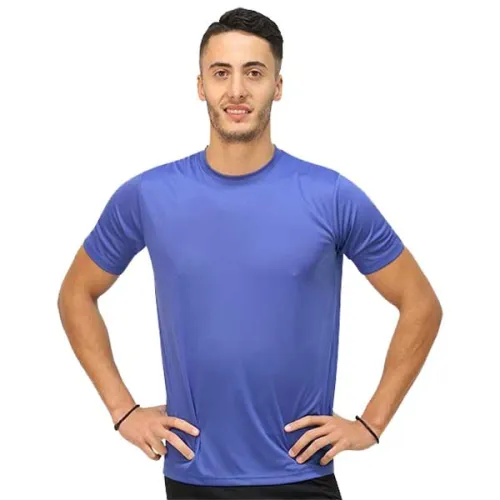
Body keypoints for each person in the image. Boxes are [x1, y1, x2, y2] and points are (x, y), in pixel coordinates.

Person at [57, 7, 443, 500]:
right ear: (200, 85)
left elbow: (420, 304)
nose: (236, 90)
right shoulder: (148, 196)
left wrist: (370, 424)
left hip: (301, 475)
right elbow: (76, 292)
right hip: (193, 476)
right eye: (221, 73)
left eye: (254, 73)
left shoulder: (331, 196)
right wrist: (123, 411)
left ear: (277, 86)